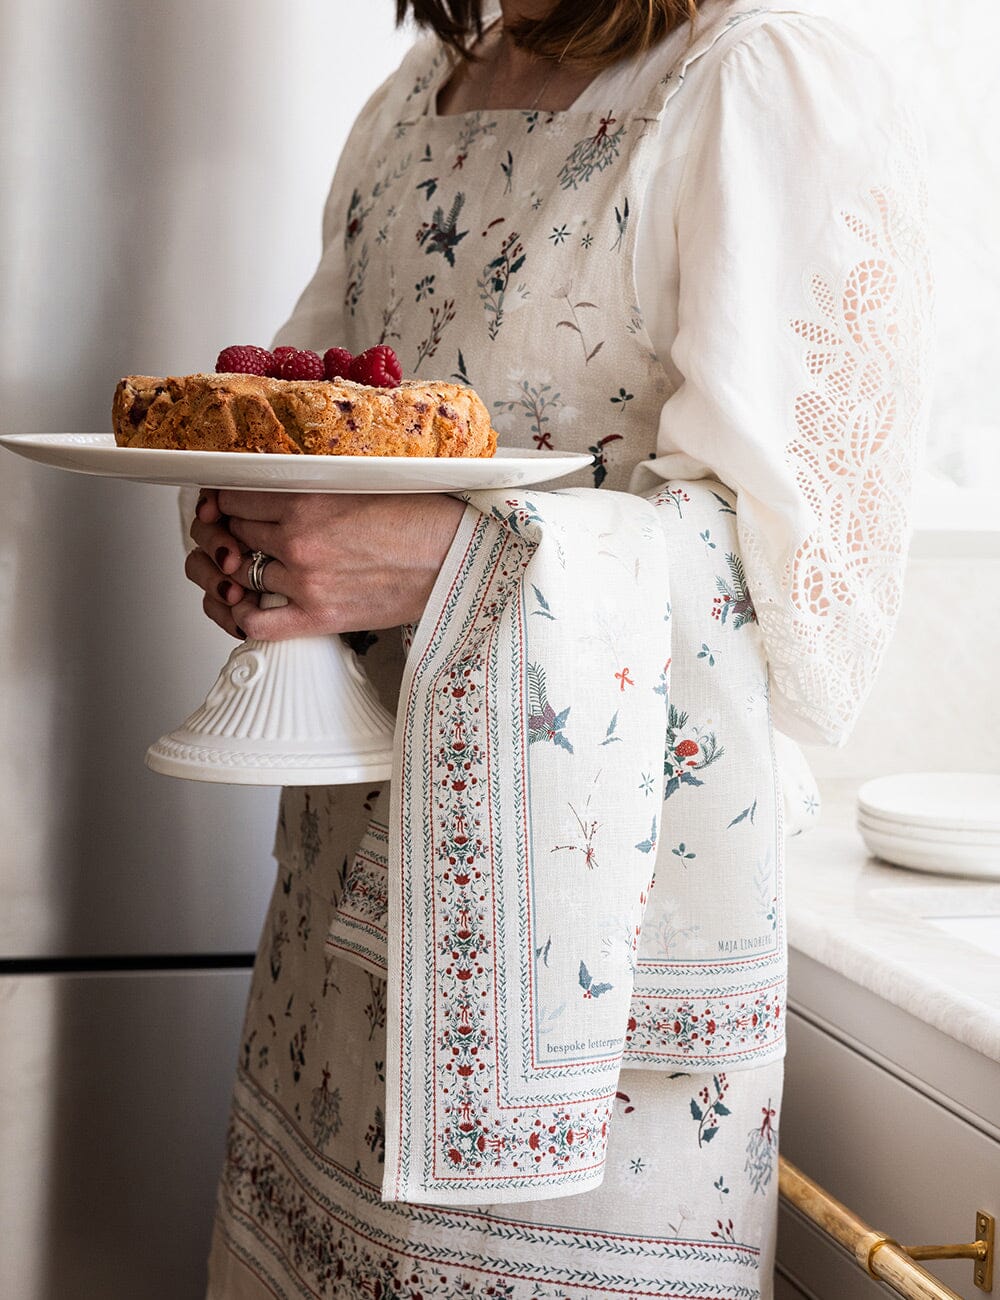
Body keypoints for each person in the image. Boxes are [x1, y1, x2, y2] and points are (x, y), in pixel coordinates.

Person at [187, 1, 932, 1295]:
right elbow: (319, 429)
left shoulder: (760, 85)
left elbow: (815, 621)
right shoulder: (416, 94)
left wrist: (441, 559)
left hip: (583, 1009)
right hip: (335, 946)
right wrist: (272, 540)